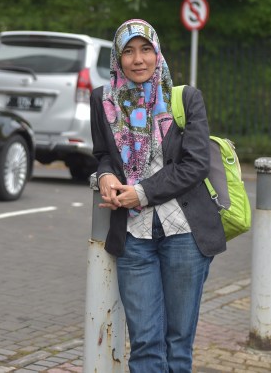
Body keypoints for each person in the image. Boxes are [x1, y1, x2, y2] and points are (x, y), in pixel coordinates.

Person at [89, 19, 226, 372]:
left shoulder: (186, 99)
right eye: (129, 51)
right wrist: (104, 173)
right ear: (117, 58)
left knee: (177, 343)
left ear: (157, 52)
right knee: (147, 344)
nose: (138, 59)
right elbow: (103, 151)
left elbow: (194, 165)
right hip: (134, 236)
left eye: (145, 49)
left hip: (184, 233)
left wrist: (143, 192)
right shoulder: (102, 101)